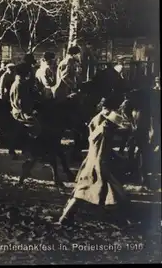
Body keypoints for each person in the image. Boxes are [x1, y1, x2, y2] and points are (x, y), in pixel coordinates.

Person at [57, 96, 133, 226]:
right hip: (99, 162)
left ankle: (66, 217)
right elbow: (124, 127)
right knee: (113, 192)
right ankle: (122, 220)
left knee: (83, 191)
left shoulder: (98, 118)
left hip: (92, 159)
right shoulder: (106, 125)